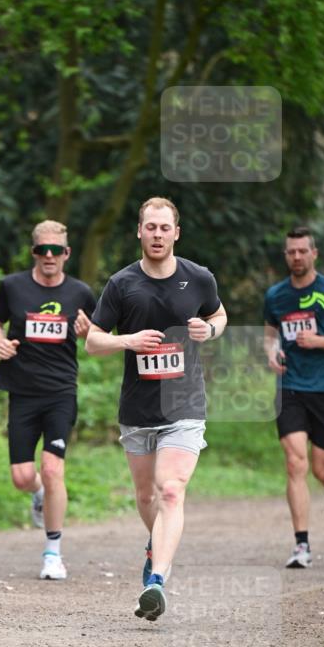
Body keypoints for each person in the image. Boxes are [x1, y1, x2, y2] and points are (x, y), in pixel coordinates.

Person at [85, 197, 227, 620]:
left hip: (184, 405)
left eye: (165, 228)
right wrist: (127, 341)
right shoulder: (122, 284)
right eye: (151, 227)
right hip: (138, 410)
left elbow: (219, 316)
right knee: (147, 495)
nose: (158, 234)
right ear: (140, 232)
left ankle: (157, 581)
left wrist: (209, 330)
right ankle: (156, 546)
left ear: (176, 233)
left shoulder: (198, 278)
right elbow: (93, 341)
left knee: (170, 489)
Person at [0, 220, 96, 579]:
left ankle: (53, 553)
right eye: (42, 250)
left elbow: (99, 337)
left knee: (52, 470)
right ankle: (37, 495)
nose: (49, 256)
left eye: (56, 250)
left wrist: (89, 332)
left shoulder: (81, 293)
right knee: (22, 477)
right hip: (21, 391)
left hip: (61, 392)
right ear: (34, 252)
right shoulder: (12, 287)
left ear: (66, 254)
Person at [263, 227, 324, 568]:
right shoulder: (276, 296)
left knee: (322, 468)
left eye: (303, 251)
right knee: (294, 462)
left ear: (314, 254)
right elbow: (270, 335)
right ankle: (302, 545)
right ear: (286, 255)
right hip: (292, 388)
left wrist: (320, 342)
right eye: (291, 252)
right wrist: (271, 353)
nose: (297, 257)